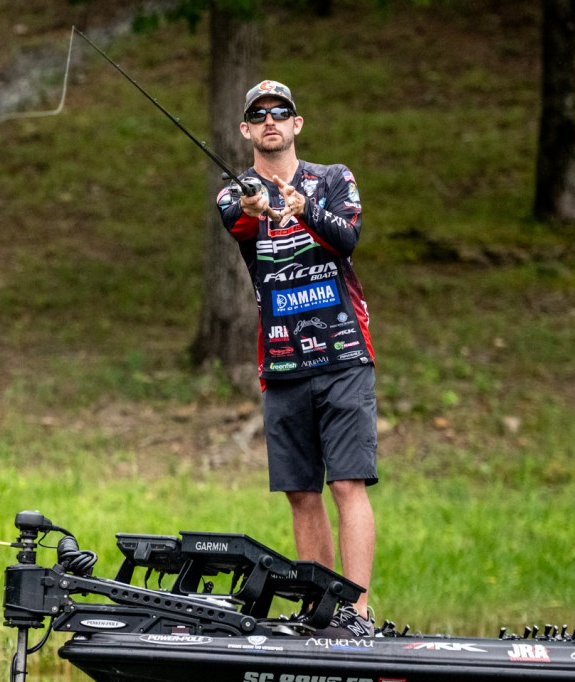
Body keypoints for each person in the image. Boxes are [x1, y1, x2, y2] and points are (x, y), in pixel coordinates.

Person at [215, 80, 378, 637]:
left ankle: (356, 613)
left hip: (344, 355)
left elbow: (348, 238)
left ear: (296, 123)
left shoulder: (333, 179)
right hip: (282, 366)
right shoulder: (234, 192)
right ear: (245, 129)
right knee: (302, 493)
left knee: (348, 484)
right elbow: (238, 220)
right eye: (258, 114)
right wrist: (256, 205)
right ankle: (319, 611)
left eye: (279, 112)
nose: (270, 121)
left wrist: (305, 209)